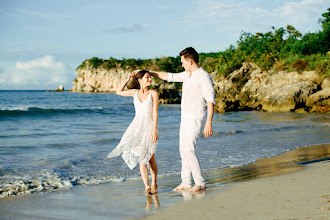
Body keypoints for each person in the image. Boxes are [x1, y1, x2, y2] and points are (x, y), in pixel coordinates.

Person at [134, 47, 215, 192]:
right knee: (183, 150)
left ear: (190, 61)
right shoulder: (186, 75)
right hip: (185, 117)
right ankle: (185, 182)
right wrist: (148, 72)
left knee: (189, 150)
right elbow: (167, 76)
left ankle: (200, 182)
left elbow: (210, 101)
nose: (182, 65)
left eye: (183, 62)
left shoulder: (203, 77)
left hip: (196, 116)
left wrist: (208, 122)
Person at [107, 70, 159, 195]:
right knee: (142, 158)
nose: (150, 80)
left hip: (149, 128)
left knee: (151, 158)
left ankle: (154, 182)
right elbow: (118, 91)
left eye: (150, 77)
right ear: (140, 80)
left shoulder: (153, 93)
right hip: (136, 128)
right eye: (147, 77)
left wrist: (154, 130)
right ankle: (146, 186)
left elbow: (155, 112)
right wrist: (128, 79)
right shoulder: (134, 93)